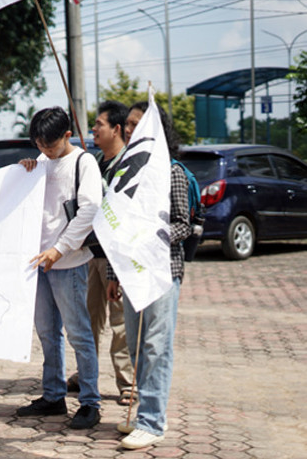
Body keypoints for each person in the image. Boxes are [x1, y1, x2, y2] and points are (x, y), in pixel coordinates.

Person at [106, 102, 190, 450]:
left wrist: (150, 238)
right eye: (126, 124)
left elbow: (184, 224)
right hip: (129, 275)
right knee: (138, 347)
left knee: (157, 347)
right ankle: (146, 414)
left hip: (161, 273)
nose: (128, 129)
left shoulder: (171, 172)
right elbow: (115, 226)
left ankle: (152, 421)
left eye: (136, 124)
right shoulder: (123, 173)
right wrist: (113, 273)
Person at [15, 106, 103, 430]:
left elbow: (90, 208)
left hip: (68, 262)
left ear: (67, 135)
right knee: (47, 334)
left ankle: (90, 402)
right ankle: (53, 396)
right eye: (38, 145)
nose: (44, 151)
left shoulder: (84, 162)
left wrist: (59, 249)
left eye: (49, 146)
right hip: (38, 262)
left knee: (79, 334)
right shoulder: (39, 162)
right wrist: (25, 169)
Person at [67, 101, 135, 405]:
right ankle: (86, 374)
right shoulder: (94, 161)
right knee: (89, 318)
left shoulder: (129, 165)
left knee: (120, 322)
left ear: (116, 129)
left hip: (117, 254)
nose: (93, 129)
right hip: (91, 252)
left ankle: (127, 383)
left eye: (99, 124)